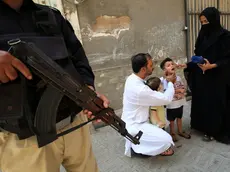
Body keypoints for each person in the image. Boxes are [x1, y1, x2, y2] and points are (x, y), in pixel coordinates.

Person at [0, 0, 109, 172]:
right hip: (22, 139)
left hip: (73, 123)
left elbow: (77, 58)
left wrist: (88, 89)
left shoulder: (51, 15)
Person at [183, 7, 230, 143]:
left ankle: (214, 130)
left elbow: (227, 59)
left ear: (214, 20)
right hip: (201, 76)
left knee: (214, 104)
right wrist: (187, 64)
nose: (204, 25)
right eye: (202, 22)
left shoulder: (225, 36)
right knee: (202, 101)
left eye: (206, 21)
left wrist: (212, 66)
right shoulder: (202, 35)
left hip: (217, 77)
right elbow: (198, 55)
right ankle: (201, 126)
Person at [121, 53, 176, 157]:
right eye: (150, 66)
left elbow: (151, 87)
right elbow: (167, 99)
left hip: (129, 121)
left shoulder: (131, 78)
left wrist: (164, 79)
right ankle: (138, 150)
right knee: (167, 140)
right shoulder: (140, 90)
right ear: (143, 69)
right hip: (135, 126)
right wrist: (170, 83)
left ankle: (140, 144)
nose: (153, 67)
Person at [160, 58, 191, 142]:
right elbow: (165, 91)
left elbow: (182, 86)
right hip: (171, 105)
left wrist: (183, 90)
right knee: (171, 120)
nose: (171, 66)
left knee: (179, 118)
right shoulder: (163, 80)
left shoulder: (178, 78)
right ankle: (172, 133)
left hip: (179, 103)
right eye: (168, 65)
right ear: (164, 69)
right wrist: (178, 91)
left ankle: (180, 131)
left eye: (172, 64)